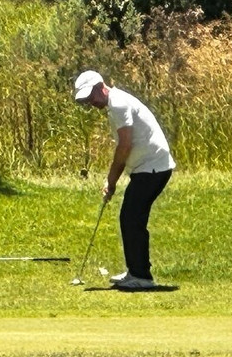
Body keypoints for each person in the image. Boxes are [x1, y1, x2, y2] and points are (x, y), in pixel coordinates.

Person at [74, 70, 176, 291]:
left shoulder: (118, 104)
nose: (91, 102)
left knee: (131, 218)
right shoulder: (114, 103)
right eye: (86, 100)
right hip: (148, 167)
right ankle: (135, 271)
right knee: (130, 218)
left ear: (101, 86)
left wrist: (111, 180)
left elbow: (124, 146)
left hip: (153, 168)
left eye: (91, 96)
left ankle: (142, 276)